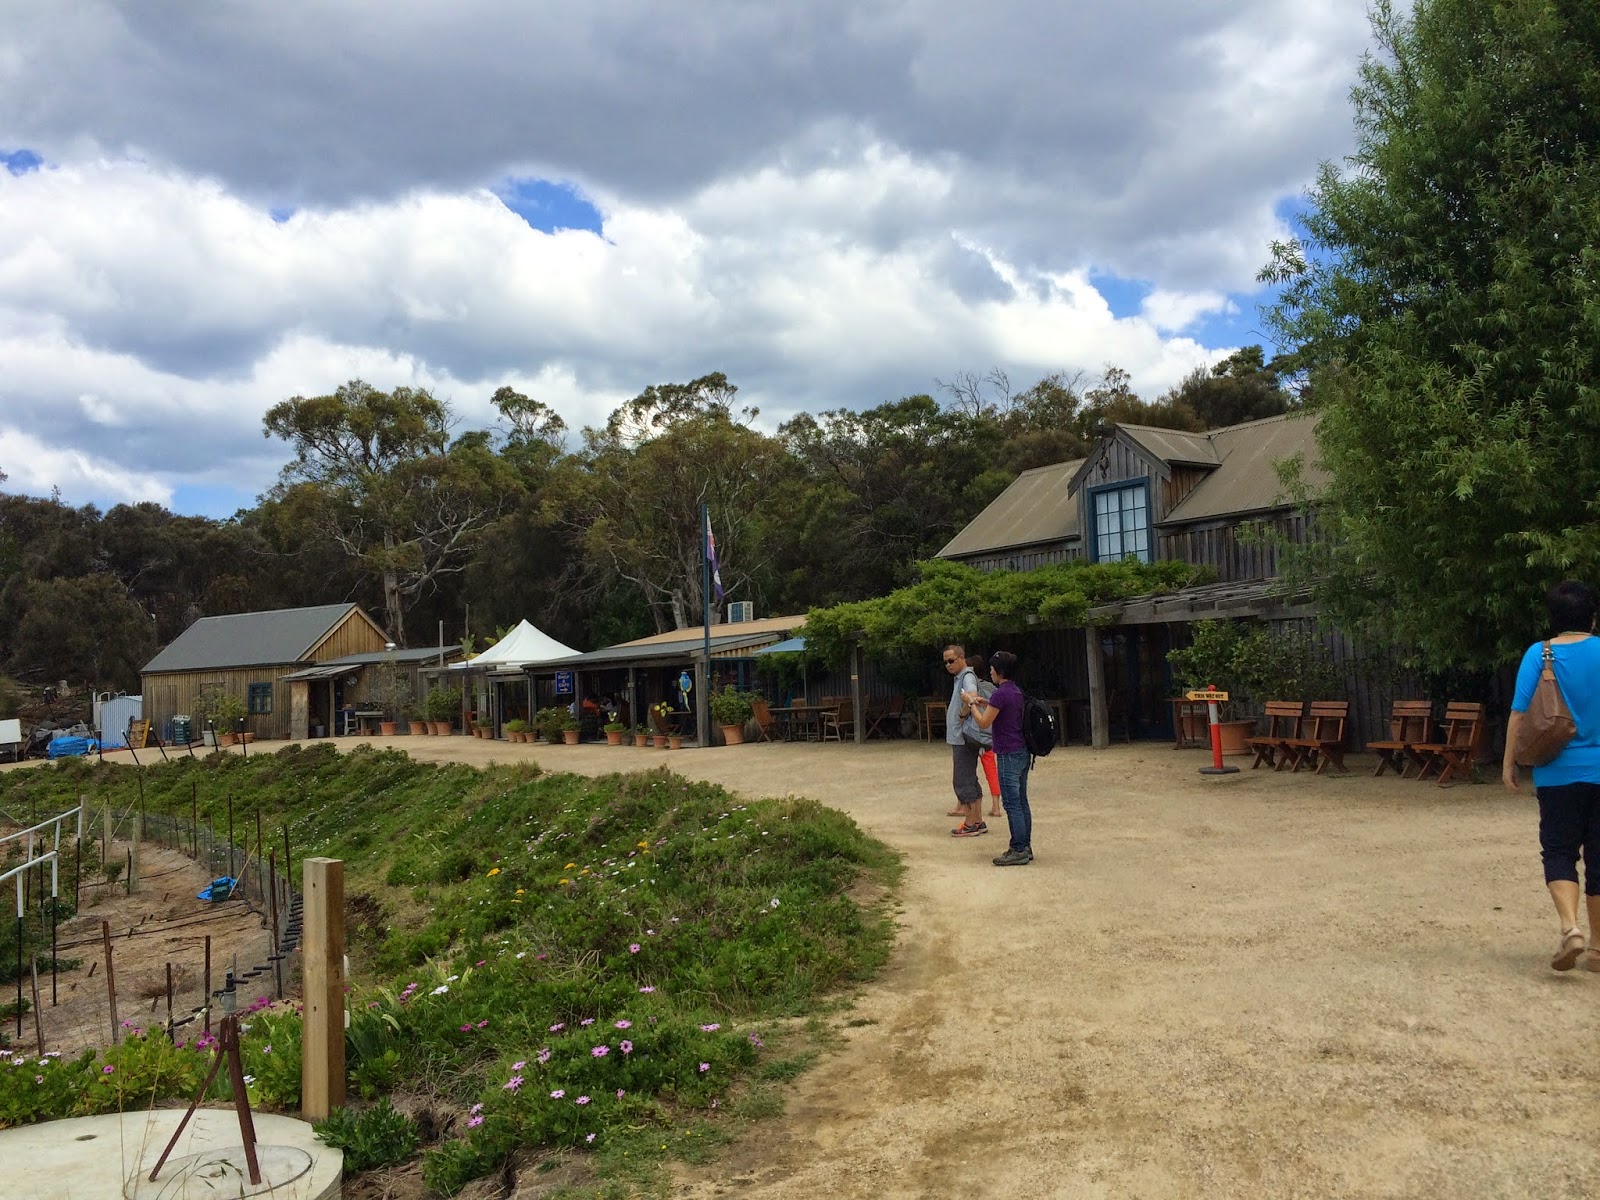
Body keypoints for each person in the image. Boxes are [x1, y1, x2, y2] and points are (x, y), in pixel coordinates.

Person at [1504, 579, 1600, 972]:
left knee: (1559, 851)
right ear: (1592, 616)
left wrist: (1508, 764)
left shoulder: (1539, 654)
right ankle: (1597, 950)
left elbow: (1519, 714)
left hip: (1556, 774)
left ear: (1554, 618)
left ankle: (1570, 928)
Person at [964, 650, 1033, 866]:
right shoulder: (1014, 691)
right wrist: (985, 702)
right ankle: (1025, 845)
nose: (991, 672)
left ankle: (1018, 848)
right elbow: (999, 712)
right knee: (1021, 801)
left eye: (993, 669)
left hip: (1007, 752)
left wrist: (972, 704)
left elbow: (984, 722)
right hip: (1022, 750)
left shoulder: (1000, 693)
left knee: (1011, 803)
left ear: (1000, 671)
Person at [943, 643, 988, 837]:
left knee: (961, 779)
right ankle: (977, 820)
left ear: (962, 658)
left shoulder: (967, 677)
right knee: (970, 777)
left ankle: (970, 823)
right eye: (945, 662)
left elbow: (972, 697)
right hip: (962, 737)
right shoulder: (960, 678)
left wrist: (962, 715)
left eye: (951, 661)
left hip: (963, 737)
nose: (948, 665)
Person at [967, 652, 1002, 817]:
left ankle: (964, 804)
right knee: (991, 770)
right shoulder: (992, 688)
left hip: (975, 733)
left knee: (966, 769)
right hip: (990, 734)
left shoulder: (971, 690)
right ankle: (996, 805)